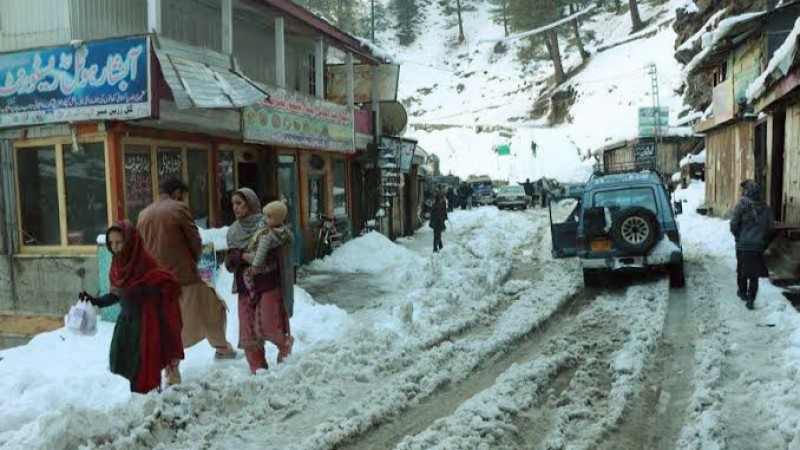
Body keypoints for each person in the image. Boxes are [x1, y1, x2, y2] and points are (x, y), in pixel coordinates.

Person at [136, 178, 238, 366]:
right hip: (183, 277)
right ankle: (222, 348)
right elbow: (195, 240)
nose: (183, 201)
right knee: (212, 308)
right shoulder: (178, 209)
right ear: (177, 193)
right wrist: (193, 260)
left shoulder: (143, 214)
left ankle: (171, 369)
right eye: (182, 196)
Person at [80, 221, 184, 392]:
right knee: (127, 364)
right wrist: (95, 301)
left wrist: (143, 290)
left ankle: (148, 401)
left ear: (129, 241)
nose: (115, 247)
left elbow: (165, 284)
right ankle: (138, 400)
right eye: (111, 243)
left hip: (146, 324)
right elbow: (116, 294)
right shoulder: (117, 264)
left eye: (119, 242)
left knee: (143, 367)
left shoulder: (144, 262)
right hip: (127, 323)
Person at [239, 201, 295, 372]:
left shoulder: (269, 235)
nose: (235, 207)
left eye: (240, 203)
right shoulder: (239, 231)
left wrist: (243, 257)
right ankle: (257, 367)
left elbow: (261, 259)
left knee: (267, 325)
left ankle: (284, 346)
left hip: (267, 284)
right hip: (246, 287)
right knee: (250, 331)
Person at [730, 180, 775, 310]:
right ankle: (751, 299)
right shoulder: (766, 208)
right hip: (758, 246)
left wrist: (738, 236)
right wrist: (764, 242)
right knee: (754, 274)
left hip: (743, 244)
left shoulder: (741, 205)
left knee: (742, 269)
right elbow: (771, 228)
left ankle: (742, 292)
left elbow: (733, 224)